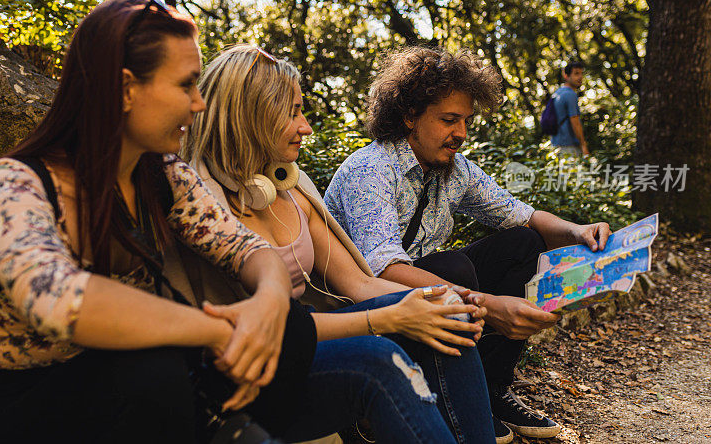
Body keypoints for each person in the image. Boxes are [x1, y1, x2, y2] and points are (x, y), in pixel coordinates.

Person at [0, 0, 462, 444]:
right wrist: (216, 331)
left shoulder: (162, 175)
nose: (198, 104)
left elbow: (247, 250)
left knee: (350, 358)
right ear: (126, 88)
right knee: (160, 369)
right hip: (28, 409)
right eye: (187, 85)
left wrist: (266, 305)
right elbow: (60, 300)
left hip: (151, 388)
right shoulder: (11, 186)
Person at [181, 44, 497, 443]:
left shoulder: (290, 190)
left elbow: (360, 284)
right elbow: (262, 332)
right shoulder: (198, 207)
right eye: (292, 112)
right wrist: (390, 317)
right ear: (251, 116)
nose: (306, 126)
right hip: (255, 365)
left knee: (447, 312)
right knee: (376, 361)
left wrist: (447, 299)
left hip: (305, 336)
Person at [324, 47, 612, 444]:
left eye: (465, 121)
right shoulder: (369, 170)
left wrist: (578, 231)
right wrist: (486, 305)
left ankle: (491, 390)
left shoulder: (454, 168)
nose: (460, 133)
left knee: (523, 243)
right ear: (409, 115)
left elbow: (520, 213)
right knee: (455, 269)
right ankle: (445, 404)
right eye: (448, 120)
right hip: (366, 311)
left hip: (429, 297)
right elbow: (384, 269)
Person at [550, 60, 588, 156]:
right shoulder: (570, 94)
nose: (580, 77)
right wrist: (583, 145)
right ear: (566, 76)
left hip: (556, 144)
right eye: (576, 74)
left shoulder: (558, 93)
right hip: (569, 146)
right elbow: (575, 122)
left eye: (581, 73)